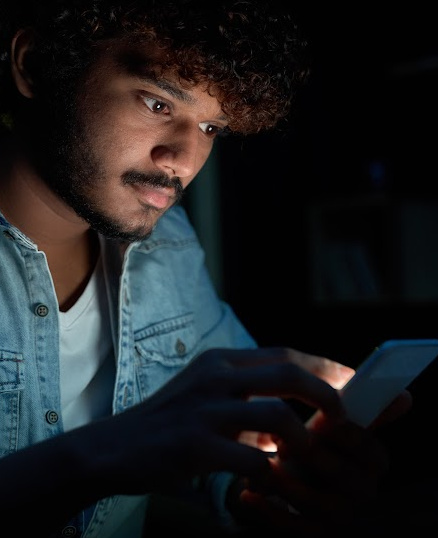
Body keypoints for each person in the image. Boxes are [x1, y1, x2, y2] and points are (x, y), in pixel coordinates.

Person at [0, 1, 411, 537]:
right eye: (157, 103)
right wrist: (96, 456)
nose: (185, 160)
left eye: (212, 126)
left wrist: (257, 484)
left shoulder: (166, 242)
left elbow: (212, 435)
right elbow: (141, 440)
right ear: (33, 65)